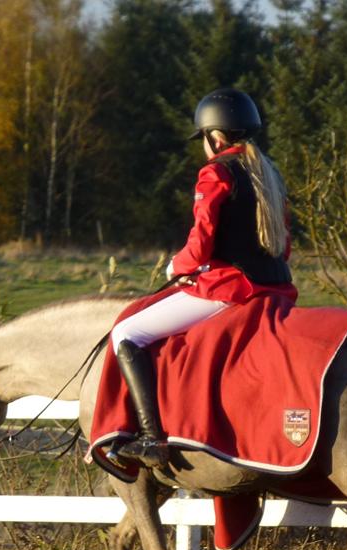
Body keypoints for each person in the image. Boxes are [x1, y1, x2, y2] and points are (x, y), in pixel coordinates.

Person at [107, 87, 298, 468]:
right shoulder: (270, 173)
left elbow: (200, 244)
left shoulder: (216, 172)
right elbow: (284, 245)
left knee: (127, 333)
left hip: (231, 291)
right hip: (278, 288)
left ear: (215, 137)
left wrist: (176, 267)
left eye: (204, 140)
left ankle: (152, 439)